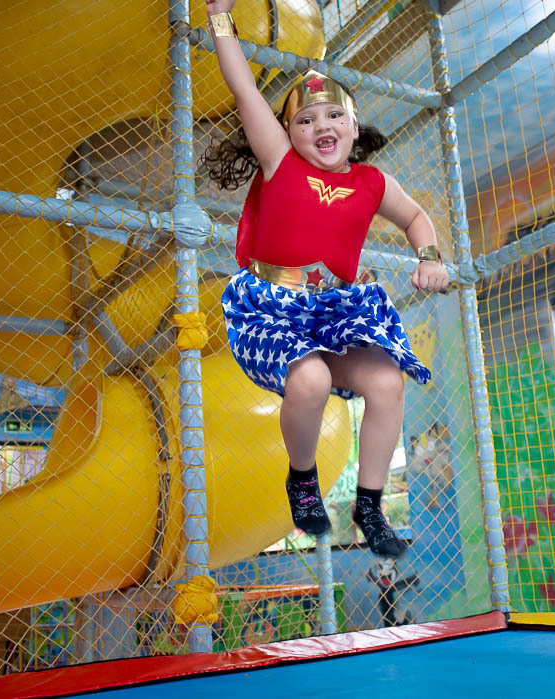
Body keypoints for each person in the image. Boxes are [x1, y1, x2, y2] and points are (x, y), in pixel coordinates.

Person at [201, 0, 449, 558]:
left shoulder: (372, 182)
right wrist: (220, 18)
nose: (321, 126)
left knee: (387, 383)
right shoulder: (281, 163)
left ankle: (370, 506)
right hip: (273, 308)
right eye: (306, 120)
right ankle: (303, 480)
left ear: (353, 127)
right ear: (288, 133)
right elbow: (243, 88)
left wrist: (429, 255)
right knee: (309, 381)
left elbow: (415, 217)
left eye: (334, 116)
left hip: (335, 312)